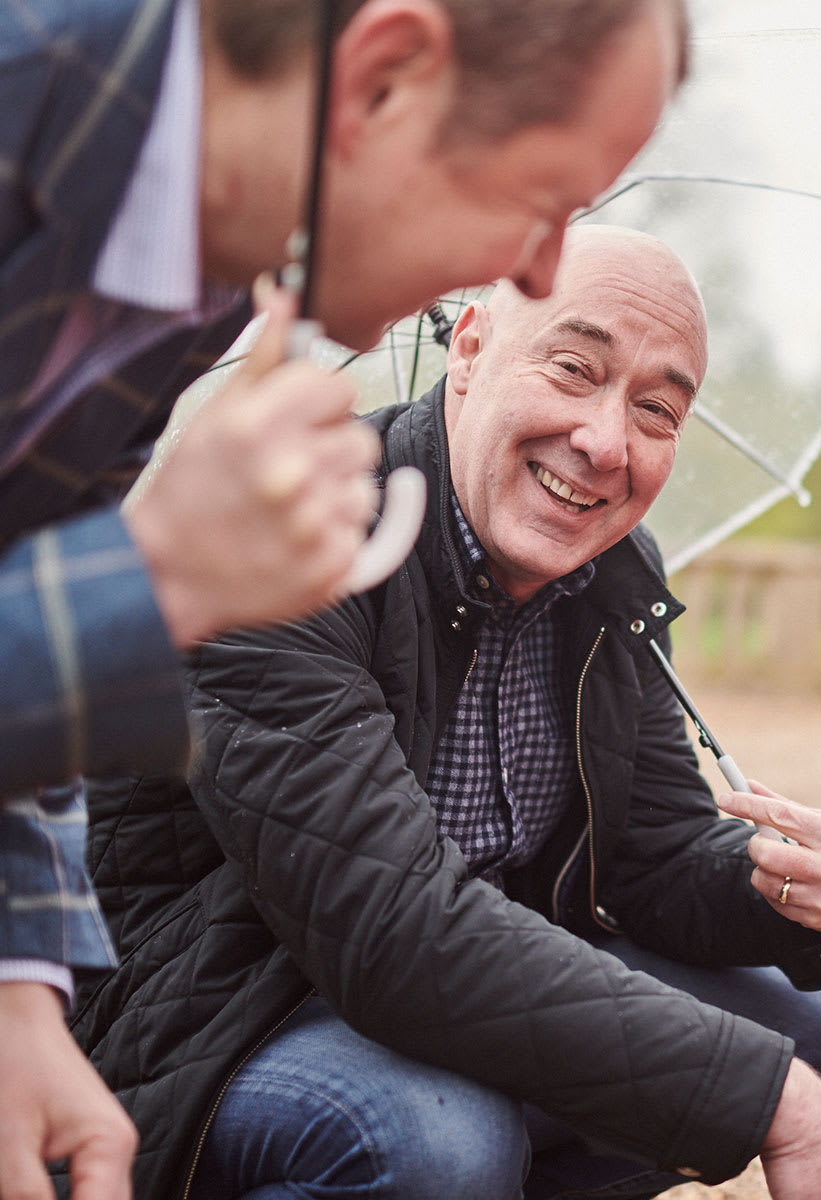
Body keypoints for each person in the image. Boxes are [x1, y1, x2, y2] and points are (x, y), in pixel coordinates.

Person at [71, 225, 821, 1200]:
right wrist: (771, 1104)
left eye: (655, 408)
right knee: (440, 1146)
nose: (605, 443)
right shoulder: (297, 545)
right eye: (572, 368)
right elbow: (393, 933)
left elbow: (649, 861)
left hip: (458, 985)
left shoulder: (611, 573)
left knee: (816, 1034)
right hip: (224, 1005)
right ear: (469, 349)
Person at [0, 2, 689, 1198]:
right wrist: (156, 579)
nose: (532, 267)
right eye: (540, 199)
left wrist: (19, 979)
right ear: (382, 77)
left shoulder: (209, 280)